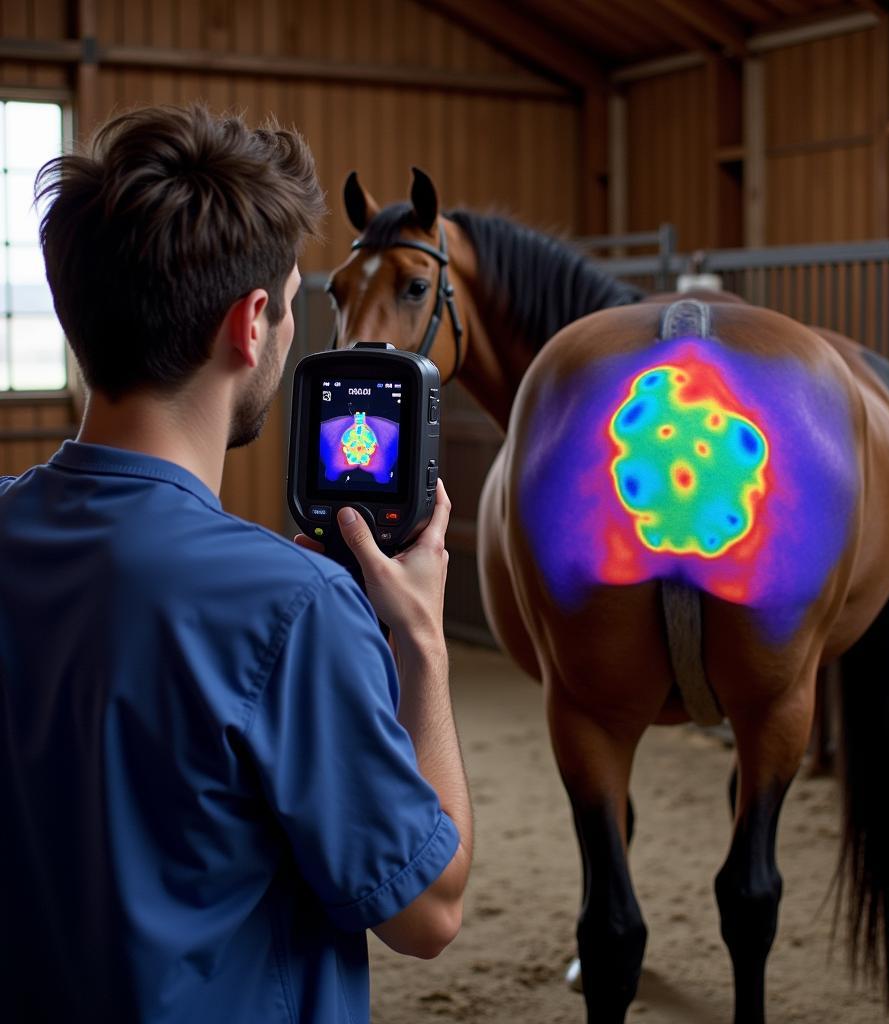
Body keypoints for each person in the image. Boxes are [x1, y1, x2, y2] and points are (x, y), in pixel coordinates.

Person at [0, 103, 472, 1024]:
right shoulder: (294, 608)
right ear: (252, 324)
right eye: (296, 304)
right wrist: (422, 643)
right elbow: (428, 911)